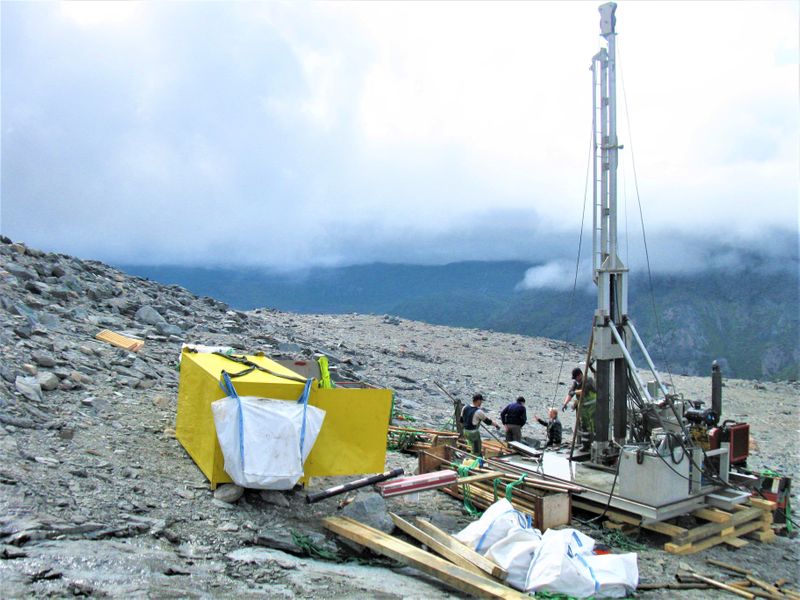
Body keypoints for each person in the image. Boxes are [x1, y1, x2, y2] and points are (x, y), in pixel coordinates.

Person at [562, 366, 597, 440]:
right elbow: (570, 394)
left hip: (592, 406)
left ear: (580, 375)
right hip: (583, 407)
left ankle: (594, 440)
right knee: (583, 424)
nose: (575, 380)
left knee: (592, 424)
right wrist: (565, 403)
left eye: (576, 378)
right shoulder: (576, 383)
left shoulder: (588, 380)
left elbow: (583, 391)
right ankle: (585, 444)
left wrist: (574, 392)